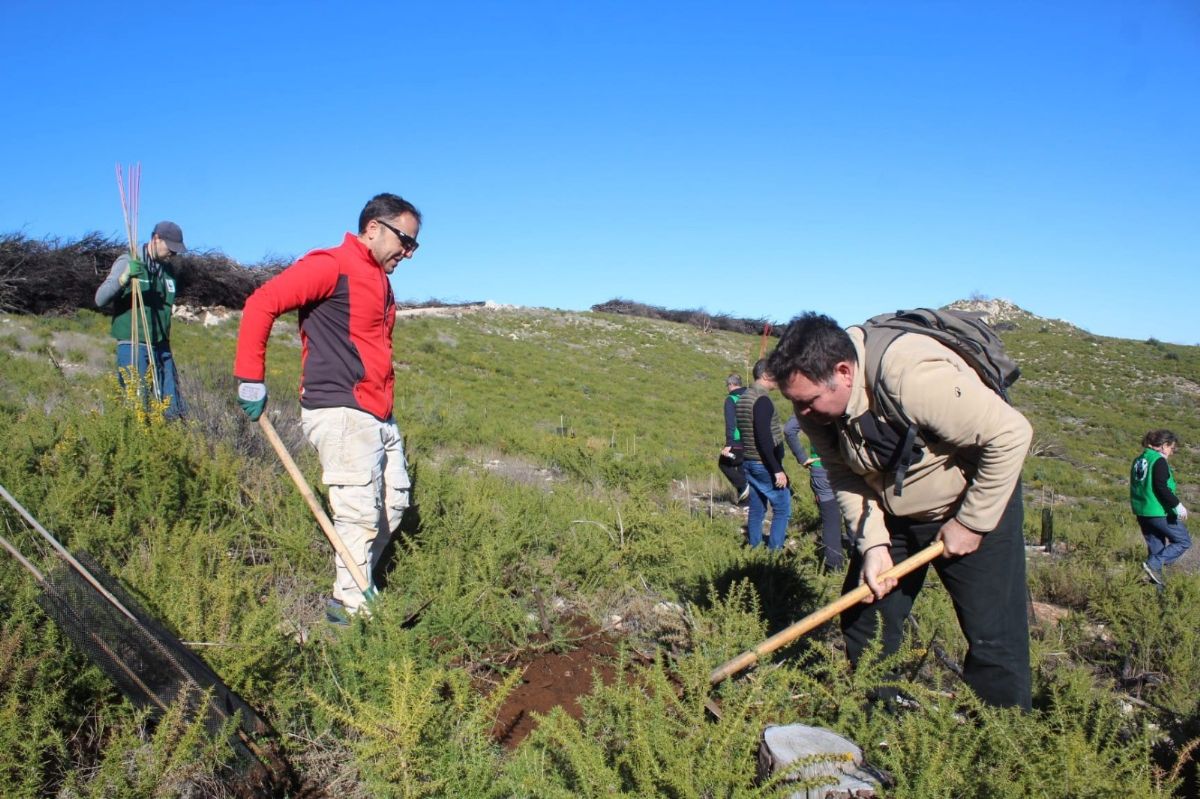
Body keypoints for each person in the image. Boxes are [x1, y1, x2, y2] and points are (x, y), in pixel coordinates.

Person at [768, 311, 1033, 710]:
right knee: (865, 619)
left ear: (843, 371)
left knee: (993, 636)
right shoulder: (818, 411)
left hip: (971, 504)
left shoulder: (910, 375)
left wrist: (971, 523)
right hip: (893, 512)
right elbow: (843, 475)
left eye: (808, 402)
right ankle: (883, 729)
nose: (801, 415)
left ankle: (1002, 749)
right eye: (794, 403)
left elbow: (1012, 435)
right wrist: (874, 545)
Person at [233, 193, 420, 623]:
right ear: (374, 227)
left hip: (377, 413)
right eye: (405, 241)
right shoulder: (330, 265)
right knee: (358, 516)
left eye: (414, 246)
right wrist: (250, 377)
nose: (408, 253)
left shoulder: (381, 280)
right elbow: (262, 303)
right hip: (340, 409)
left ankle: (353, 588)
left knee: (394, 503)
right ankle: (349, 616)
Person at [94, 221, 189, 419]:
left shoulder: (168, 272)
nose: (174, 254)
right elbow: (100, 298)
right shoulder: (128, 260)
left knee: (173, 407)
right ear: (156, 239)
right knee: (138, 406)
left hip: (162, 347)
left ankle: (169, 445)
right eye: (171, 248)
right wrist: (124, 278)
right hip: (134, 343)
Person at [734, 359, 791, 550]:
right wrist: (777, 469)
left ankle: (754, 547)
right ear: (766, 375)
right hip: (763, 463)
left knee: (757, 508)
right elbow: (763, 438)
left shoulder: (743, 398)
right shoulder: (762, 400)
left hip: (749, 461)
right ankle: (775, 553)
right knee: (782, 507)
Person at [783, 414, 846, 571]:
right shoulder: (845, 397)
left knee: (831, 519)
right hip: (849, 465)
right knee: (856, 515)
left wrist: (802, 458)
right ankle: (861, 559)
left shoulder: (812, 403)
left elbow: (789, 430)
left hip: (820, 467)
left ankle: (834, 567)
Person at [1130, 429, 1191, 589]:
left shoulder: (1139, 460)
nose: (1172, 452)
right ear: (1164, 445)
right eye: (1172, 448)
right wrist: (1177, 505)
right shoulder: (1158, 461)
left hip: (1142, 512)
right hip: (1158, 512)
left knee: (1157, 550)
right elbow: (1161, 487)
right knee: (1183, 541)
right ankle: (1152, 564)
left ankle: (1156, 594)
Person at [718, 373, 750, 505]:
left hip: (737, 441)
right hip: (751, 440)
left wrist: (729, 444)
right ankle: (745, 503)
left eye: (727, 385)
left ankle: (744, 485)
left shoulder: (731, 399)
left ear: (731, 384)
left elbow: (730, 423)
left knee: (724, 463)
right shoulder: (749, 396)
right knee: (742, 467)